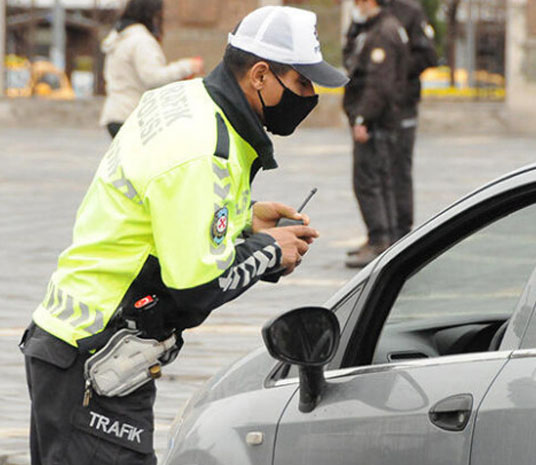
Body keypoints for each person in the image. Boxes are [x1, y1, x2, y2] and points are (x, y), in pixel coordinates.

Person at [20, 6, 348, 465]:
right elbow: (195, 287)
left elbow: (165, 213)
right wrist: (269, 253)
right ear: (259, 75)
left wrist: (245, 221)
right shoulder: (201, 150)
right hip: (97, 357)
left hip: (79, 346)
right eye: (301, 83)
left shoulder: (186, 101)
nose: (310, 96)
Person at [344, 0, 437, 256]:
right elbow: (352, 50)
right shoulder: (368, 19)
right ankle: (383, 236)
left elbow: (427, 55)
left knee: (395, 171)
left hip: (397, 105)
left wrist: (392, 70)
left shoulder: (408, 13)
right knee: (377, 173)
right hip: (374, 103)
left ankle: (398, 236)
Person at [342, 0, 410, 268]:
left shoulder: (383, 32)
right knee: (382, 179)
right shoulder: (382, 27)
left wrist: (363, 118)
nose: (356, 6)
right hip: (383, 120)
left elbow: (378, 84)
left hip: (377, 123)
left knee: (369, 182)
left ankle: (380, 240)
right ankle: (384, 238)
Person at [99, 0, 203, 138]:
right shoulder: (141, 41)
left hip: (115, 113)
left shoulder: (119, 38)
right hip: (131, 115)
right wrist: (187, 66)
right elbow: (153, 78)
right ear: (150, 14)